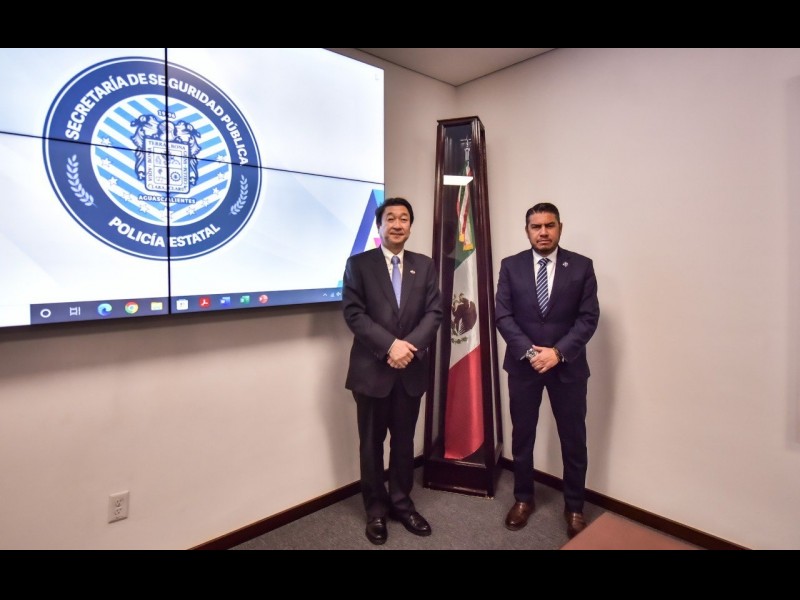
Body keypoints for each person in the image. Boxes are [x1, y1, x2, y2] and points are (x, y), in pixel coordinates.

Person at [495, 202, 600, 538]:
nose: (543, 232)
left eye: (549, 225)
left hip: (567, 367)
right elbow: (503, 316)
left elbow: (588, 318)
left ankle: (575, 507)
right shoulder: (510, 266)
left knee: (574, 439)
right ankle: (523, 499)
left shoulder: (581, 266)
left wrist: (557, 353)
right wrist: (530, 353)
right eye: (536, 226)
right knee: (523, 436)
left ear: (560, 228)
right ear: (527, 230)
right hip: (524, 367)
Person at [342, 197, 443, 545]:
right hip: (372, 372)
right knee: (371, 445)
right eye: (391, 218)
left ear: (410, 226)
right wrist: (390, 346)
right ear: (379, 225)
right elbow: (354, 314)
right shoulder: (359, 265)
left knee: (403, 443)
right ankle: (375, 511)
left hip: (409, 371)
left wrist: (407, 348)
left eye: (404, 219)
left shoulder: (424, 265)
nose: (398, 224)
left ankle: (402, 504)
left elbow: (434, 313)